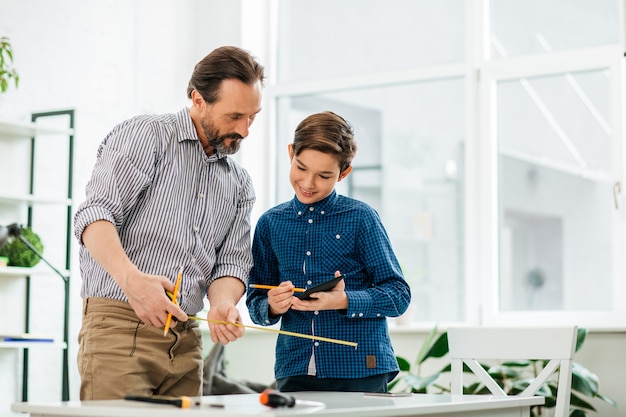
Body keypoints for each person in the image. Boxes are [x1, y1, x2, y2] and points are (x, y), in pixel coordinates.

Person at [73, 45, 265, 400]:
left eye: (252, 117)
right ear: (198, 99)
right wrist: (133, 282)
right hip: (119, 328)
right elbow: (94, 215)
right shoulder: (146, 136)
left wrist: (224, 303)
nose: (245, 130)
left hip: (187, 341)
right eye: (234, 116)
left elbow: (231, 262)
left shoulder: (239, 182)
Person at [246, 111, 411, 393]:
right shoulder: (270, 224)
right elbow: (256, 302)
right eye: (301, 168)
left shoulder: (361, 218)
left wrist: (344, 301)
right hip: (295, 369)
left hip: (361, 366)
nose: (308, 183)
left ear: (344, 173)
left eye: (324, 175)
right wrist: (272, 305)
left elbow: (399, 295)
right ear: (290, 153)